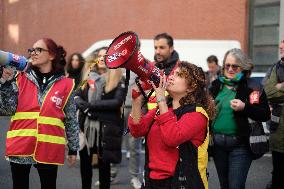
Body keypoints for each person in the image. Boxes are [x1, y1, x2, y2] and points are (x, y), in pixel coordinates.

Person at [0, 38, 79, 189]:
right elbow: (6, 109)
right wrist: (5, 83)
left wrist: (73, 147)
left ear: (52, 55)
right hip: (20, 146)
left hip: (49, 148)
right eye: (32, 50)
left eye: (39, 50)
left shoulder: (66, 84)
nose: (33, 53)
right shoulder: (19, 77)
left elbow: (70, 119)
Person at [129, 61, 215, 189]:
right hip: (152, 180)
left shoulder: (197, 114)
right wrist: (136, 99)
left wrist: (161, 99)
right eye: (173, 73)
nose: (171, 76)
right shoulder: (162, 108)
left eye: (179, 75)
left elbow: (172, 138)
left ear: (191, 87)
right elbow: (137, 130)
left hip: (181, 182)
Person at [209, 48, 271, 189]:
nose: (230, 69)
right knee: (224, 185)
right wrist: (209, 107)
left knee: (236, 186)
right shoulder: (216, 85)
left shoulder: (252, 86)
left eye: (235, 66)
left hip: (241, 146)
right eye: (227, 65)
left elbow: (264, 113)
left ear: (243, 67)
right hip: (217, 145)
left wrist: (245, 107)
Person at [75, 46, 127, 189]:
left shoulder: (118, 79)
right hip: (86, 128)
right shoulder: (88, 76)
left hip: (106, 130)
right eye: (100, 55)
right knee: (85, 167)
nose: (102, 58)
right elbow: (77, 95)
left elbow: (116, 102)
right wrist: (83, 104)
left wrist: (89, 106)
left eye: (106, 56)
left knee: (104, 169)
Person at [263, 38, 284, 189]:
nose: (281, 48)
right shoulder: (276, 68)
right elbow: (268, 92)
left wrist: (280, 86)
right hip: (278, 132)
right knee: (278, 174)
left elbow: (275, 90)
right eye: (281, 47)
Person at [147, 32, 180, 110]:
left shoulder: (180, 68)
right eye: (155, 48)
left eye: (161, 48)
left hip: (171, 117)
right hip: (149, 118)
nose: (157, 51)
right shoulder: (149, 68)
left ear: (171, 48)